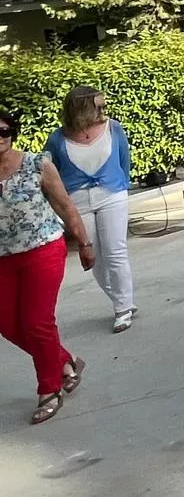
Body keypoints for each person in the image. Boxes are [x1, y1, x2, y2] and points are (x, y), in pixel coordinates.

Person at [0, 109, 93, 425]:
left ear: (12, 132)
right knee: (8, 324)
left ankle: (49, 389)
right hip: (3, 259)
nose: (0, 138)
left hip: (43, 250)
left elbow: (65, 206)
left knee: (37, 321)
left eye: (4, 131)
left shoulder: (37, 164)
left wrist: (84, 242)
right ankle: (65, 361)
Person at [44, 87, 134, 332]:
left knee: (115, 251)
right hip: (78, 201)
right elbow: (51, 173)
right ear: (81, 109)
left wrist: (122, 185)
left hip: (112, 194)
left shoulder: (113, 128)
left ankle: (123, 308)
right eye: (98, 106)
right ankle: (120, 297)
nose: (103, 110)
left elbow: (124, 160)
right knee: (94, 257)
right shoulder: (57, 139)